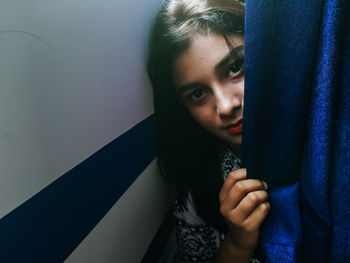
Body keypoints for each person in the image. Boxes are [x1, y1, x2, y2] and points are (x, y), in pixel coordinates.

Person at [147, 0, 270, 262]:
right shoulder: (197, 196)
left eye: (235, 68)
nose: (226, 106)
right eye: (198, 93)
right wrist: (237, 244)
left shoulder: (329, 144)